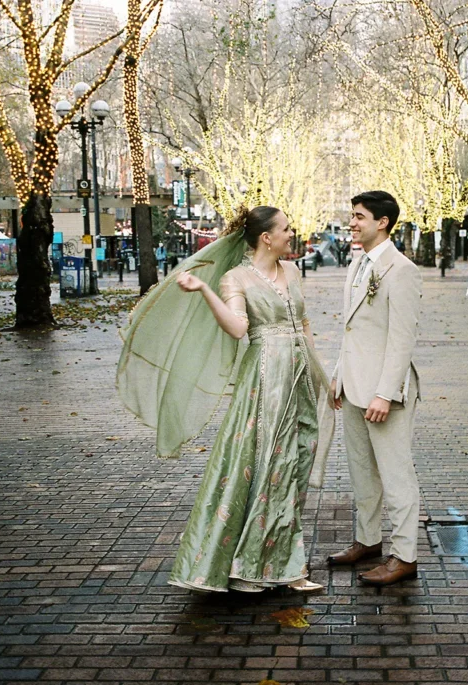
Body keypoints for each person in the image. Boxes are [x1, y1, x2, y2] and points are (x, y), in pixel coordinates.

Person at [117, 206, 335, 594]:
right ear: (266, 237)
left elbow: (303, 326)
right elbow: (238, 328)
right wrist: (203, 290)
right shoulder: (236, 279)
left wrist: (322, 375)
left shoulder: (294, 272)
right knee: (267, 464)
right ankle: (260, 567)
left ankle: (277, 560)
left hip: (300, 378)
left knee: (296, 463)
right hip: (266, 379)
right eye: (286, 228)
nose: (292, 234)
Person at [328, 190, 423, 586]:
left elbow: (402, 338)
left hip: (386, 394)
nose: (352, 222)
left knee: (396, 475)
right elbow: (352, 329)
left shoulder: (401, 270)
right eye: (352, 216)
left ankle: (405, 556)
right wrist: (339, 374)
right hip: (353, 386)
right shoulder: (357, 264)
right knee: (362, 472)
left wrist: (385, 393)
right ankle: (367, 541)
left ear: (382, 222)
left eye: (359, 216)